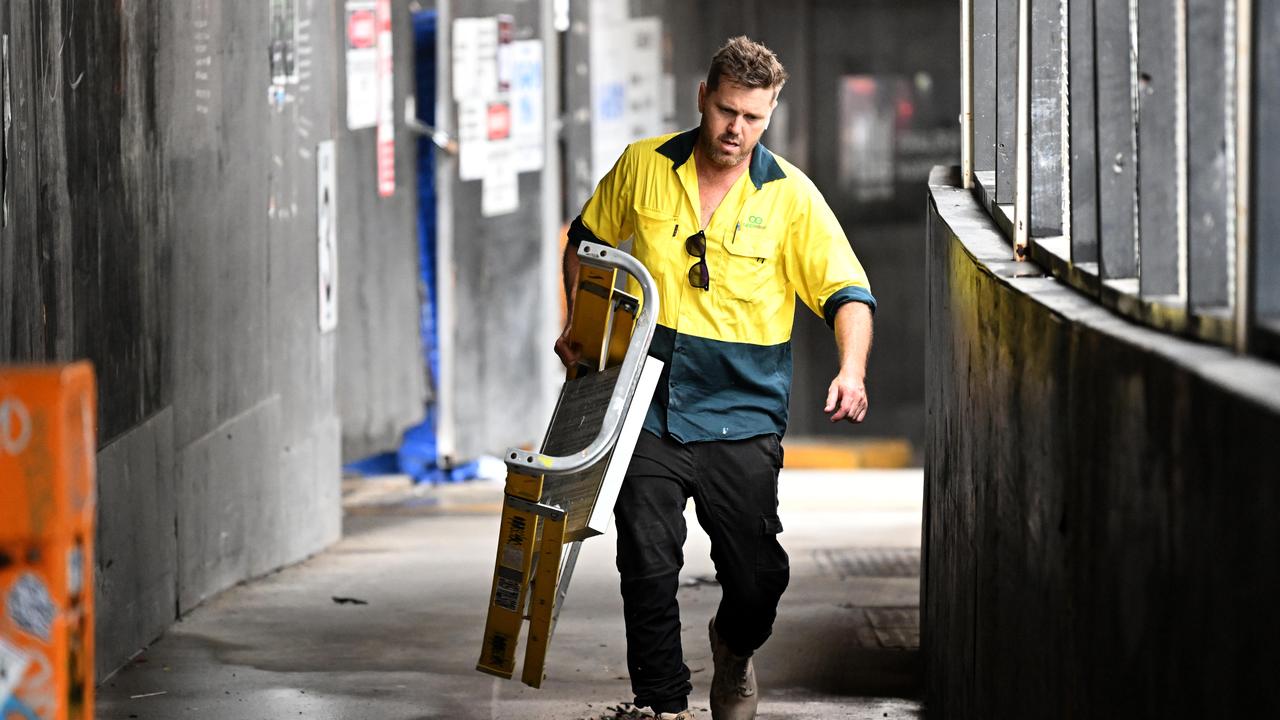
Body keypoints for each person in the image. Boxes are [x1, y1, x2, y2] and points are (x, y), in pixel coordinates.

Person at [554, 36, 875, 720]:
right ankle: (662, 704)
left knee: (757, 577)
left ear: (771, 112)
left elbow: (848, 293)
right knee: (646, 558)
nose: (736, 130)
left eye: (754, 118)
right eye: (727, 111)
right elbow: (587, 241)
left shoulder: (791, 198)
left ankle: (733, 648)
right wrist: (581, 330)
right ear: (702, 98)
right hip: (649, 399)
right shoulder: (645, 166)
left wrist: (852, 369)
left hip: (742, 407)